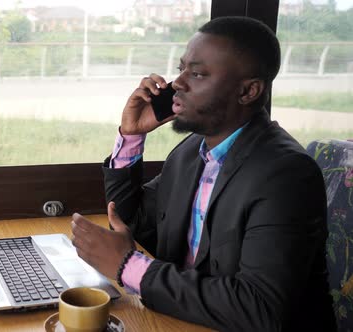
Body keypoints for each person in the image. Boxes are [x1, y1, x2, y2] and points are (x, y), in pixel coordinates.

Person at [70, 16, 336, 331]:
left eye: (197, 73)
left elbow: (259, 308)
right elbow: (131, 224)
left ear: (248, 91)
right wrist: (131, 137)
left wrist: (128, 266)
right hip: (183, 319)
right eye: (182, 69)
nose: (178, 83)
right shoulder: (191, 152)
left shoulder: (286, 175)